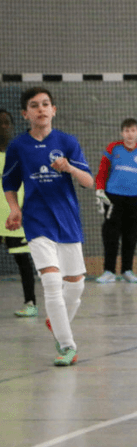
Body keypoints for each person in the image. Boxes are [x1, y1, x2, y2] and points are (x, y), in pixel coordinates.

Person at [3, 87, 94, 366]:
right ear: (25, 113)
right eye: (34, 105)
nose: (41, 109)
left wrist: (69, 168)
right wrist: (15, 210)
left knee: (76, 285)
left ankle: (56, 321)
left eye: (45, 104)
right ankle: (67, 346)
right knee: (52, 281)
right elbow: (9, 183)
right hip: (36, 220)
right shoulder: (19, 146)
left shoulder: (67, 142)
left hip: (67, 220)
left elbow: (88, 181)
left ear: (53, 110)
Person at [94, 118, 137, 284]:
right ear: (122, 133)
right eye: (127, 131)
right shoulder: (113, 148)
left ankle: (127, 270)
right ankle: (109, 271)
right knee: (111, 234)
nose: (130, 134)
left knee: (131, 235)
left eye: (133, 130)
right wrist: (99, 189)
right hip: (113, 197)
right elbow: (102, 171)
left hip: (136, 198)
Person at [0, 109, 36, 317]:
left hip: (15, 217)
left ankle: (30, 302)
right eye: (0, 123)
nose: (4, 126)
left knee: (24, 262)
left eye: (7, 123)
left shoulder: (19, 152)